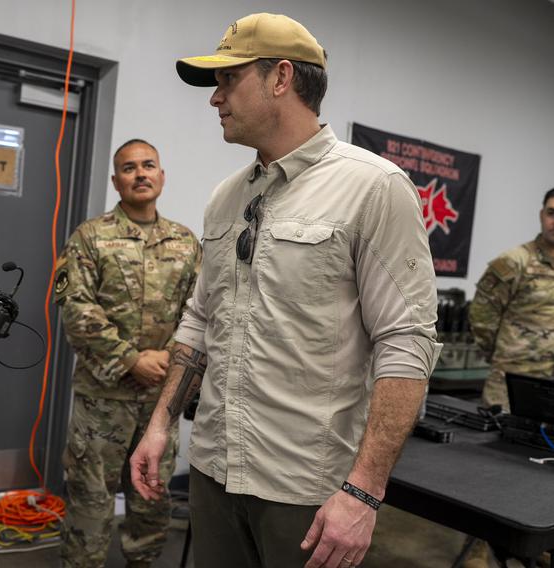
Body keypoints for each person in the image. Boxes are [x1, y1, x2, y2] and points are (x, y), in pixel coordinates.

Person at [129, 13, 441, 568]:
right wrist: (159, 426)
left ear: (280, 77)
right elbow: (202, 318)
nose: (215, 98)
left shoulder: (374, 187)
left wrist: (364, 492)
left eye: (228, 80)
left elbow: (406, 342)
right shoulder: (227, 197)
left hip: (305, 490)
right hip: (213, 471)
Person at [53, 139, 201, 567]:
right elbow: (76, 309)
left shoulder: (186, 243)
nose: (140, 173)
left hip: (160, 400)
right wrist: (131, 359)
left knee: (152, 501)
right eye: (129, 167)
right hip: (102, 401)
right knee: (90, 504)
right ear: (116, 181)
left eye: (148, 165)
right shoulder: (90, 237)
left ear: (161, 176)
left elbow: (200, 313)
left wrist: (167, 360)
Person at [463, 188, 554, 568]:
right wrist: (499, 359)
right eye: (552, 212)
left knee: (544, 474)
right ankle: (480, 549)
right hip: (511, 385)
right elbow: (481, 318)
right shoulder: (513, 262)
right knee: (494, 476)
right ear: (541, 214)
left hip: (552, 390)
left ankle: (540, 544)